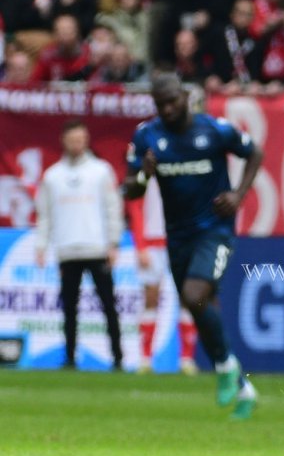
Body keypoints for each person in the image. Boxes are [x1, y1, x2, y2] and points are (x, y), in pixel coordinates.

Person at [123, 73, 263, 419]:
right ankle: (241, 385)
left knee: (194, 294)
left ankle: (225, 368)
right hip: (177, 236)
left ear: (185, 98)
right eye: (161, 105)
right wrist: (143, 174)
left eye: (173, 101)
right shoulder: (146, 135)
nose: (168, 109)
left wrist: (238, 194)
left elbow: (254, 152)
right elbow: (130, 189)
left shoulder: (214, 130)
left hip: (215, 230)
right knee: (202, 306)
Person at [35, 119, 124, 370]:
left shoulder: (101, 171)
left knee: (108, 304)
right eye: (72, 140)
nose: (76, 144)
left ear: (86, 140)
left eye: (80, 139)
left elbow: (113, 208)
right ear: (64, 141)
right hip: (67, 250)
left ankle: (118, 357)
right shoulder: (52, 176)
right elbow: (45, 215)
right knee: (69, 308)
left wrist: (113, 243)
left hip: (97, 248)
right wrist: (41, 246)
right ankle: (70, 357)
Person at [125, 179, 199, 375]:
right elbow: (135, 205)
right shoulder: (147, 172)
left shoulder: (186, 169)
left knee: (187, 297)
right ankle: (145, 359)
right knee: (150, 297)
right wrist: (140, 244)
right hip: (152, 241)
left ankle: (187, 359)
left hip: (180, 241)